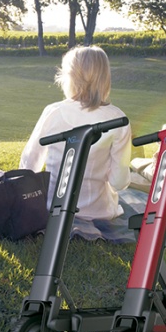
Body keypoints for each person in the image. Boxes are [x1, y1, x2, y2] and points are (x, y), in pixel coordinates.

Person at [19, 46, 132, 221]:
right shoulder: (118, 118)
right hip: (99, 212)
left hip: (53, 206)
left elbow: (29, 164)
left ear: (68, 78)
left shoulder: (53, 112)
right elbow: (119, 183)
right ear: (105, 78)